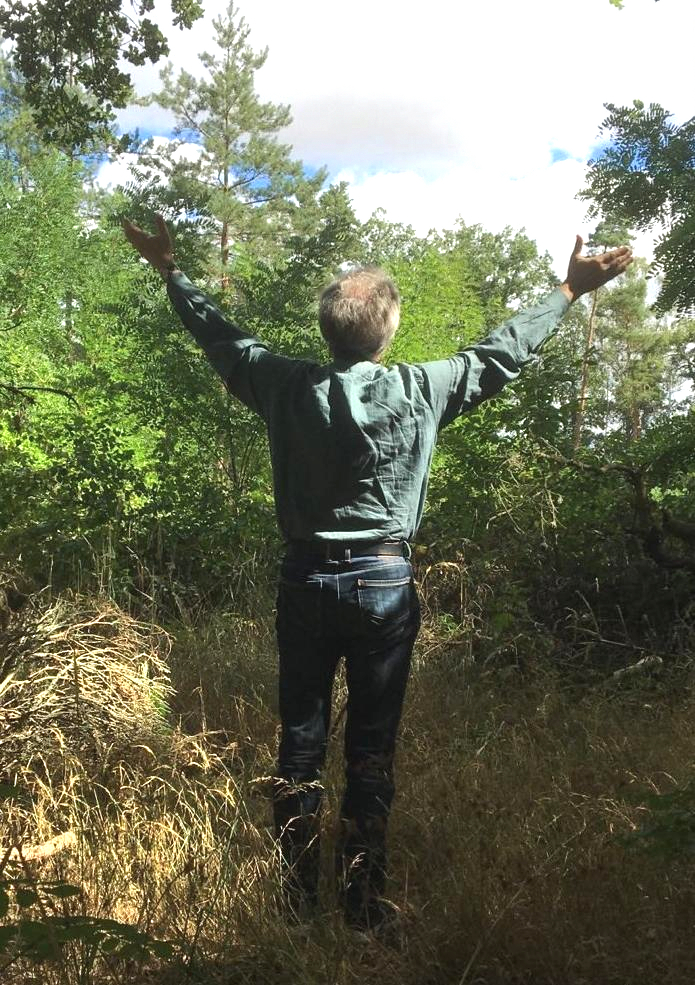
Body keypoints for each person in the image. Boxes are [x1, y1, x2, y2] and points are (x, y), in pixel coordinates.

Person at [123, 216, 632, 930]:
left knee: (298, 747)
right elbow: (500, 351)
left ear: (327, 329)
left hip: (303, 582)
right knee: (369, 750)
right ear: (385, 332)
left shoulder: (284, 385)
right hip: (383, 587)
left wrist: (170, 270)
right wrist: (567, 291)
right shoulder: (423, 388)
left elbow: (222, 338)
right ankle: (362, 908)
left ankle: (296, 907)